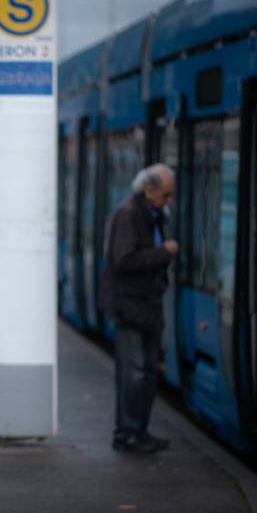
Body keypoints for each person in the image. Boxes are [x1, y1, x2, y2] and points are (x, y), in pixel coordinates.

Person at [99, 164, 179, 454]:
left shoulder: (151, 215)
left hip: (145, 306)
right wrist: (163, 253)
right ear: (149, 191)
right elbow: (125, 260)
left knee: (146, 372)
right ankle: (128, 433)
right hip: (130, 308)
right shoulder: (129, 215)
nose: (169, 201)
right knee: (134, 372)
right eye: (166, 195)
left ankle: (138, 430)